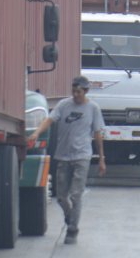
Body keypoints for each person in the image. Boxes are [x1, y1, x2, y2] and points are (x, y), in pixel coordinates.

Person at [28, 76, 106, 245]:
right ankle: (70, 216)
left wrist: (101, 159)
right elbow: (49, 119)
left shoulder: (93, 108)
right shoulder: (64, 105)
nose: (75, 95)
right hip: (63, 156)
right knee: (62, 197)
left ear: (85, 91)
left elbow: (98, 134)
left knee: (76, 194)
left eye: (79, 92)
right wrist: (36, 132)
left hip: (82, 156)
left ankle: (72, 229)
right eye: (73, 91)